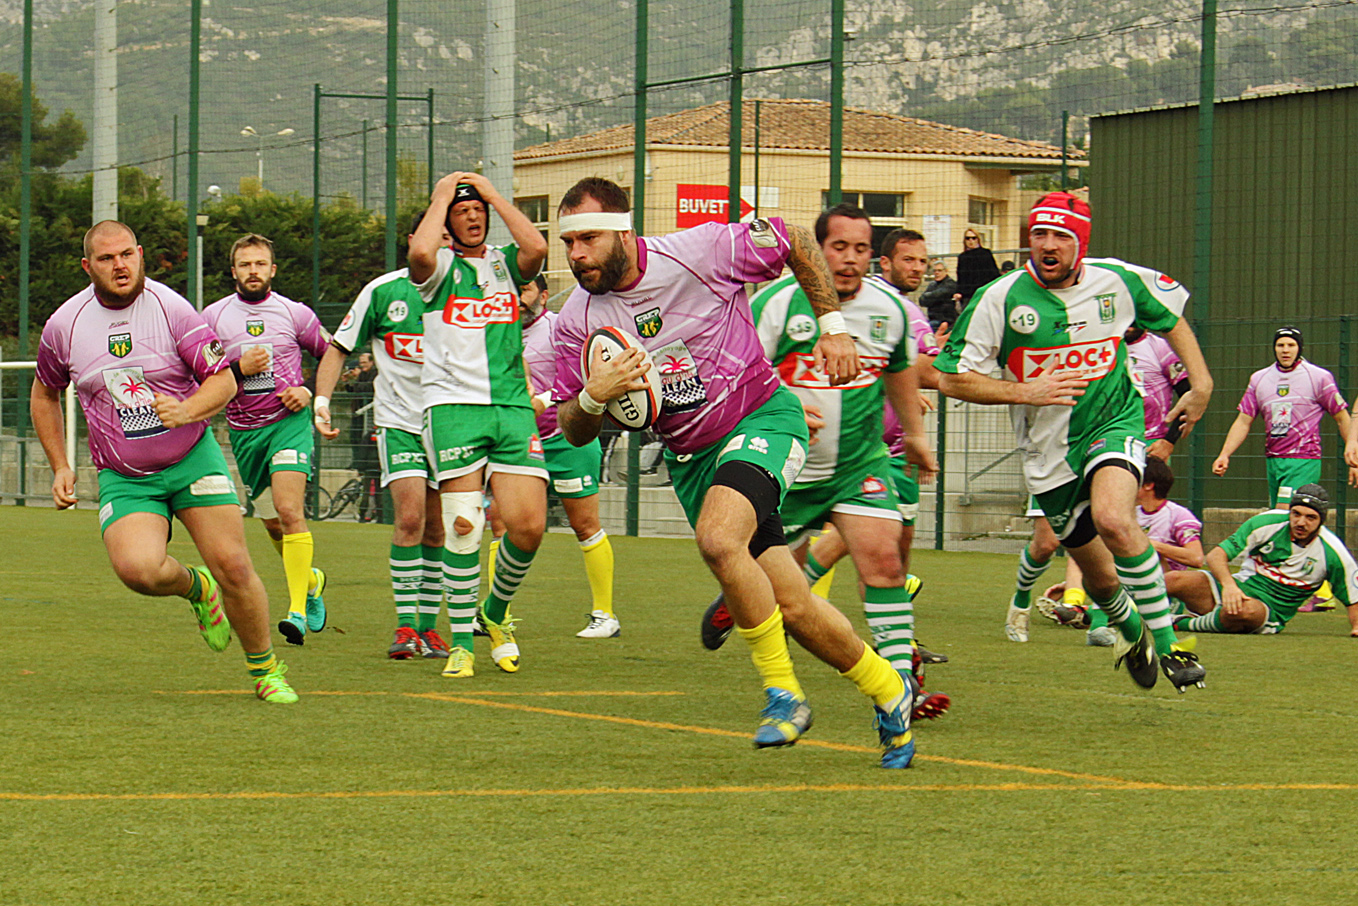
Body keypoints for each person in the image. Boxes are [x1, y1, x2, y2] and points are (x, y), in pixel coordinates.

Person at [549, 177, 920, 768]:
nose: (576, 255)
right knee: (793, 605)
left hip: (763, 418)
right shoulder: (574, 321)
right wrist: (593, 398)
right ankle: (889, 689)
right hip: (692, 459)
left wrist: (833, 326)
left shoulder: (699, 252)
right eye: (567, 244)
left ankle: (784, 696)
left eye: (587, 239)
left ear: (623, 231)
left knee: (719, 541)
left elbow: (795, 239)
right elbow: (572, 427)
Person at [935, 191, 1212, 692]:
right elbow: (952, 379)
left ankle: (1170, 647)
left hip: (1113, 421)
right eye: (1039, 233)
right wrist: (1024, 391)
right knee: (1101, 581)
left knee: (1114, 519)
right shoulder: (999, 298)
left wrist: (1202, 384)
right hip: (1047, 453)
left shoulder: (1119, 281)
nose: (1047, 244)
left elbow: (1171, 320)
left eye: (1060, 235)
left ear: (1079, 243)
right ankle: (1133, 635)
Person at [30, 220, 298, 703]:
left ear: (140, 255)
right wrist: (61, 465)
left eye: (128, 254)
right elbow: (45, 393)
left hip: (192, 458)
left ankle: (265, 671)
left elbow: (223, 379)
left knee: (233, 565)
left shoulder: (171, 308)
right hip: (126, 476)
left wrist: (188, 410)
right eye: (108, 258)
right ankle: (196, 589)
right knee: (139, 570)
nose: (120, 265)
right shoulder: (64, 325)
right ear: (88, 267)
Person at [408, 172, 549, 679]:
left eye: (478, 211)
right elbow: (421, 251)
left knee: (529, 526)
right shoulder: (437, 269)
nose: (472, 216)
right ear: (447, 219)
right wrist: (443, 191)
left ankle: (494, 610)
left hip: (511, 406)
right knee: (465, 525)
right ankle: (463, 642)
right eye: (461, 211)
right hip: (452, 409)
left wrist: (491, 193)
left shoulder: (504, 264)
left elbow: (535, 245)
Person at [314, 211, 450, 660]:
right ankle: (405, 627)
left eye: (449, 238)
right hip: (400, 424)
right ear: (415, 241)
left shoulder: (469, 294)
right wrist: (322, 401)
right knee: (409, 520)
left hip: (452, 425)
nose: (442, 246)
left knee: (438, 529)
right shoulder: (383, 291)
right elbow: (338, 349)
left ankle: (430, 629)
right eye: (436, 236)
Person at [203, 234, 331, 646]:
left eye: (261, 263)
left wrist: (310, 392)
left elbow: (332, 355)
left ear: (272, 270)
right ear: (234, 270)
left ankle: (295, 611)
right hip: (244, 432)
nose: (253, 271)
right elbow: (200, 375)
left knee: (289, 509)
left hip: (288, 424)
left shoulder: (295, 314)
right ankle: (310, 580)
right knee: (274, 524)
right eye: (245, 264)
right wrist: (238, 370)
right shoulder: (212, 318)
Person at [512, 273, 620, 638]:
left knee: (585, 524)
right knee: (504, 526)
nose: (517, 297)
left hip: (565, 438)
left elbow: (585, 374)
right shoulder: (493, 332)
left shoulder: (562, 327)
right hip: (518, 441)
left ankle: (605, 615)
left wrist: (544, 400)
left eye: (524, 290)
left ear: (543, 294)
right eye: (512, 289)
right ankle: (497, 616)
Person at [1213, 327, 1349, 611]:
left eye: (1290, 345)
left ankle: (1315, 589)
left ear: (1299, 348)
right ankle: (1307, 584)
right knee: (1282, 520)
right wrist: (1225, 453)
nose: (1285, 350)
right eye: (1280, 345)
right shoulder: (1260, 379)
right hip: (1273, 461)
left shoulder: (1318, 377)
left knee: (1295, 520)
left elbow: (1341, 416)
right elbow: (1243, 421)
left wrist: (1353, 452)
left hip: (1304, 459)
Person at [1041, 457, 1205, 644]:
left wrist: (1151, 545)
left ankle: (1091, 618)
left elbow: (1196, 558)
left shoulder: (1178, 515)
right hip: (1128, 580)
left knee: (1138, 554)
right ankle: (1074, 603)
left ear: (1148, 485)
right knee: (1087, 552)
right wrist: (1075, 582)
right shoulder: (1129, 512)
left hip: (1162, 586)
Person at [1170, 485, 1358, 637]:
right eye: (1296, 514)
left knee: (1241, 611)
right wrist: (1229, 586)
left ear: (1322, 521)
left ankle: (1180, 623)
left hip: (1264, 611)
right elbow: (1215, 556)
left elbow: (1353, 597)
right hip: (1235, 589)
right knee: (1173, 579)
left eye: (1310, 518)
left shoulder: (1333, 552)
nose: (1301, 522)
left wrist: (1356, 627)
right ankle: (1144, 615)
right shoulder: (1268, 523)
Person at [954, 228, 1000, 309]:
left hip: (984, 294)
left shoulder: (985, 254)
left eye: (973, 238)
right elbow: (961, 277)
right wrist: (958, 292)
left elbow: (993, 274)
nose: (971, 241)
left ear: (978, 239)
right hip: (968, 296)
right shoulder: (962, 257)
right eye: (967, 238)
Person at [918, 259, 960, 332]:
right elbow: (922, 300)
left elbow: (938, 295)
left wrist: (929, 297)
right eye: (935, 271)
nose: (936, 273)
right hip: (932, 319)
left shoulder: (950, 284)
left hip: (945, 321)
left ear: (946, 271)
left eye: (939, 270)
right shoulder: (932, 284)